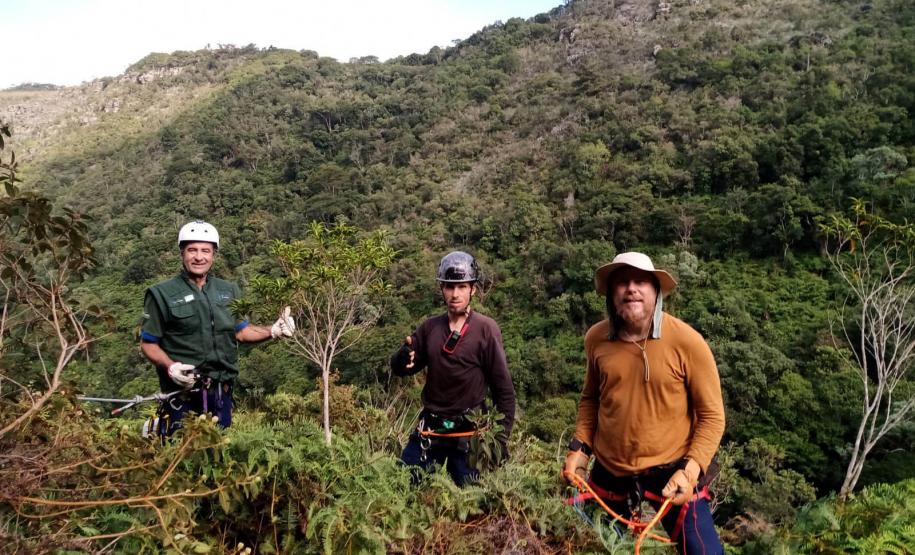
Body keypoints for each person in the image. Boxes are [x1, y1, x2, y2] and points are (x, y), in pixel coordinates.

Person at [563, 251, 726, 554]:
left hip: (673, 468)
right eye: (622, 282)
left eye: (640, 281)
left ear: (656, 291)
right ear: (611, 294)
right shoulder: (596, 339)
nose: (631, 289)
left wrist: (691, 470)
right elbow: (591, 399)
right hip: (611, 469)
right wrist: (580, 448)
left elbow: (712, 416)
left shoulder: (687, 342)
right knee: (591, 547)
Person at [139, 220, 295, 437]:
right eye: (192, 250)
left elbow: (240, 331)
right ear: (182, 253)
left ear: (214, 255)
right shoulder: (161, 294)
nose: (199, 257)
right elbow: (148, 343)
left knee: (219, 446)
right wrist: (171, 366)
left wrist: (272, 330)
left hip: (221, 392)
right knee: (181, 449)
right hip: (182, 392)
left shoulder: (228, 290)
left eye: (205, 250)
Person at [391, 251, 516, 486]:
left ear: (473, 289)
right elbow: (403, 368)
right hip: (431, 429)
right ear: (442, 289)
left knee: (472, 501)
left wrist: (499, 441)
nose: (455, 294)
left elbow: (504, 392)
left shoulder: (486, 330)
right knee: (401, 486)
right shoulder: (430, 328)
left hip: (469, 434)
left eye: (462, 287)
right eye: (449, 287)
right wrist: (401, 358)